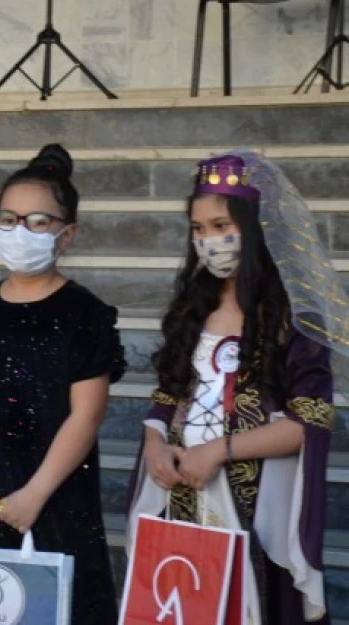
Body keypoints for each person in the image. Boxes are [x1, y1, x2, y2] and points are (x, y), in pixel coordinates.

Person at [128, 152, 336, 624]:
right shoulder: (191, 309)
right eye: (198, 230)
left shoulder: (294, 321)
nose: (208, 241)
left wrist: (217, 451)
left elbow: (311, 423)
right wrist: (155, 443)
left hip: (255, 509)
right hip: (180, 500)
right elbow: (167, 395)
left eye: (221, 225)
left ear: (255, 225)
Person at [0, 145, 126, 624]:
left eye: (38, 222)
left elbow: (88, 413)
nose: (19, 231)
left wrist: (37, 492)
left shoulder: (84, 314)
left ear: (67, 235)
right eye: (8, 219)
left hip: (56, 494)